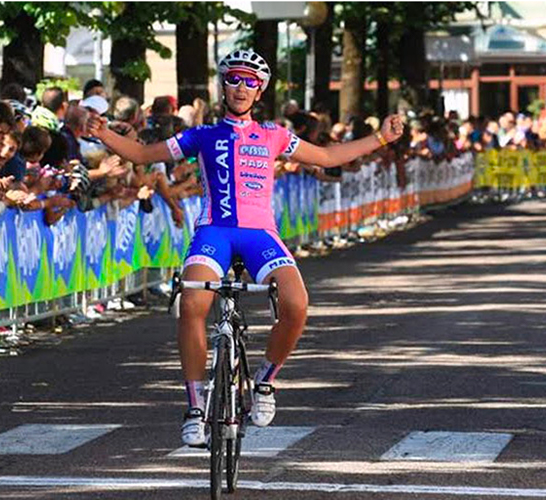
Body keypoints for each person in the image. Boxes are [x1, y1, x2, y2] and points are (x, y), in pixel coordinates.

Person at [85, 49, 404, 447]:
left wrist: (380, 138)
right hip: (214, 232)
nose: (240, 87)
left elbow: (325, 156)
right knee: (192, 303)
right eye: (233, 79)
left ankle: (265, 382)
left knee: (296, 304)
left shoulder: (273, 135)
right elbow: (142, 154)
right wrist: (104, 134)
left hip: (259, 234)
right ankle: (195, 406)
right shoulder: (202, 135)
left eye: (250, 81)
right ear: (223, 86)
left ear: (259, 91)